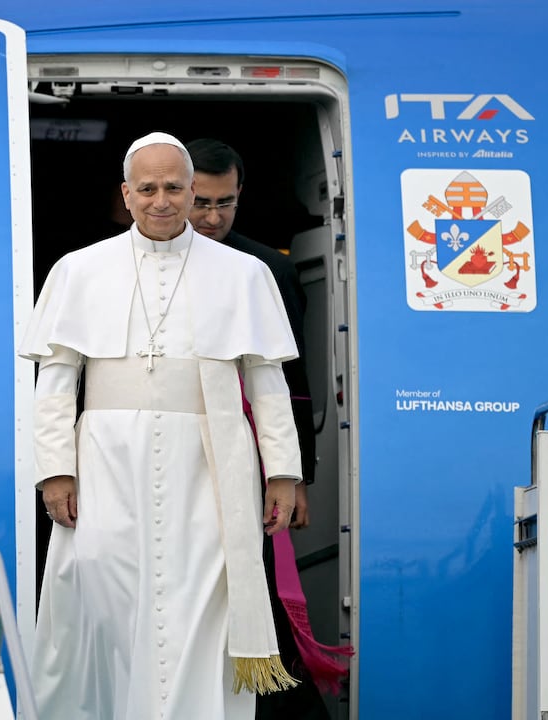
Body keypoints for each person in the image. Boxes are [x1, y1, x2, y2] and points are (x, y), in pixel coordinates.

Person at [19, 132, 303, 720]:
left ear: (192, 189)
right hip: (104, 462)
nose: (162, 200)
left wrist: (283, 474)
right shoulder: (79, 269)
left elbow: (267, 384)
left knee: (199, 606)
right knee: (105, 599)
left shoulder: (245, 272)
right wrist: (54, 471)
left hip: (208, 468)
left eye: (175, 187)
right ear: (126, 194)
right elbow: (54, 383)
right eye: (147, 188)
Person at [187, 138, 349, 720]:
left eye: (224, 204)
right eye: (200, 202)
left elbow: (293, 380)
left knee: (253, 592)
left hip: (249, 461)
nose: (210, 218)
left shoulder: (267, 268)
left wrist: (294, 476)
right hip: (169, 460)